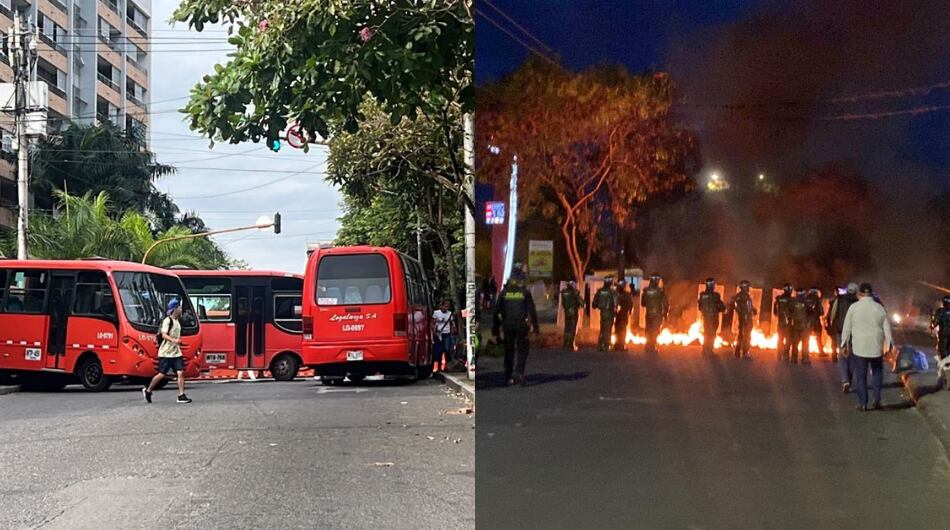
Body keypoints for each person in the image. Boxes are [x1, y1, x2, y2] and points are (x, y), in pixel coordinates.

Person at [841, 283, 894, 411]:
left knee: (861, 376)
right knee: (877, 373)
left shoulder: (854, 308)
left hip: (860, 347)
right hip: (876, 346)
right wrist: (890, 346)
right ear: (871, 293)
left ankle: (863, 403)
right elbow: (887, 328)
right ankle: (877, 399)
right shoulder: (879, 308)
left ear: (859, 294)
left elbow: (847, 327)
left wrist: (844, 344)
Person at [493, 269, 539, 386]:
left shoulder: (504, 293)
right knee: (522, 350)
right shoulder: (524, 293)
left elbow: (496, 312)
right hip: (521, 325)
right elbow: (532, 311)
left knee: (509, 350)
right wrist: (536, 328)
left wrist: (496, 330)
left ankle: (508, 375)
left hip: (507, 325)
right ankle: (519, 373)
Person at [143, 298, 192, 404]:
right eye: (179, 307)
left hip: (176, 353)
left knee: (180, 372)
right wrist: (175, 341)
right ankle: (148, 390)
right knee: (161, 374)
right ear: (175, 309)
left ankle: (181, 395)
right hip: (165, 353)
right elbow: (164, 334)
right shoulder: (167, 321)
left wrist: (178, 343)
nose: (180, 309)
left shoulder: (177, 322)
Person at [827, 282, 859, 392]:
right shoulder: (858, 302)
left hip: (841, 331)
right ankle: (849, 378)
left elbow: (832, 314)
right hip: (855, 332)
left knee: (842, 356)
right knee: (853, 356)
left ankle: (845, 380)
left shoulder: (839, 300)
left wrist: (831, 325)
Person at [727, 280, 758, 359]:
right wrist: (745, 313)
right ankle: (745, 352)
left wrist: (753, 310)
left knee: (741, 335)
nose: (748, 288)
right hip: (745, 318)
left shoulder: (742, 296)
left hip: (744, 317)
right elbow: (740, 307)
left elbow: (745, 306)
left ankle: (737, 352)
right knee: (746, 335)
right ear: (745, 287)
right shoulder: (742, 296)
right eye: (747, 286)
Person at [641, 273, 669, 354]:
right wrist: (665, 314)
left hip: (648, 313)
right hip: (657, 314)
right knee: (655, 330)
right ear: (657, 280)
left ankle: (647, 346)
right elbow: (665, 303)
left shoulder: (645, 290)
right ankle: (652, 347)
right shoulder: (660, 291)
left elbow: (643, 304)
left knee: (648, 330)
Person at [698, 278, 725, 356]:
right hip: (713, 317)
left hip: (706, 318)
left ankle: (705, 350)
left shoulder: (702, 295)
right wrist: (721, 309)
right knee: (712, 334)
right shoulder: (716, 295)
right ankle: (709, 350)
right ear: (712, 285)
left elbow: (700, 307)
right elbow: (721, 307)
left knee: (707, 333)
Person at [594, 276, 617, 352]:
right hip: (609, 313)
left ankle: (600, 345)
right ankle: (606, 346)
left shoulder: (599, 291)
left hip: (602, 312)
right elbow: (615, 303)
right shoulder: (612, 292)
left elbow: (594, 303)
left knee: (602, 329)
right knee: (608, 330)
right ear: (610, 282)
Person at [789, 287, 811, 364]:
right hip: (804, 325)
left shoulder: (792, 301)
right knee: (805, 343)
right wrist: (809, 323)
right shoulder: (806, 302)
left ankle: (794, 358)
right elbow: (811, 313)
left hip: (795, 325)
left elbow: (789, 312)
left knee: (795, 342)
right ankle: (805, 359)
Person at [432, 300, 456, 370]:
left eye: (447, 307)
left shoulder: (449, 313)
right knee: (438, 350)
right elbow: (432, 323)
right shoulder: (436, 313)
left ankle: (446, 366)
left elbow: (452, 323)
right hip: (438, 334)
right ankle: (438, 366)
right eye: (445, 306)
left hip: (447, 334)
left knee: (447, 349)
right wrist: (434, 332)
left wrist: (453, 330)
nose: (446, 308)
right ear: (441, 306)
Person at [773, 284, 794, 361]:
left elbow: (775, 311)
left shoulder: (779, 299)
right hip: (789, 323)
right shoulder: (792, 300)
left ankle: (779, 355)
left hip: (781, 322)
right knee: (788, 339)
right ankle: (786, 355)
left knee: (780, 339)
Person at [560, 280, 582, 350]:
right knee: (572, 329)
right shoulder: (575, 292)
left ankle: (565, 344)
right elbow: (580, 302)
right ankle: (571, 345)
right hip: (573, 313)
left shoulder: (564, 292)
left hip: (567, 312)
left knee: (567, 329)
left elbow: (563, 303)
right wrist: (582, 303)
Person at [805, 287, 826, 357]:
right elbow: (821, 312)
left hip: (807, 321)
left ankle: (805, 352)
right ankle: (821, 352)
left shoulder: (805, 299)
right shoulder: (817, 300)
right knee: (818, 337)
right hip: (816, 321)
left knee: (806, 337)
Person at [613, 280, 634, 351]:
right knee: (622, 330)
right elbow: (630, 304)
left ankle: (617, 344)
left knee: (617, 329)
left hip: (618, 315)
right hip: (623, 314)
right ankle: (621, 345)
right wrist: (630, 311)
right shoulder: (627, 295)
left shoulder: (616, 294)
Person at [931, 295, 950, 361]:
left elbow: (935, 322)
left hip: (943, 333)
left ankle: (944, 363)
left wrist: (933, 325)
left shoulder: (940, 311)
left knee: (942, 349)